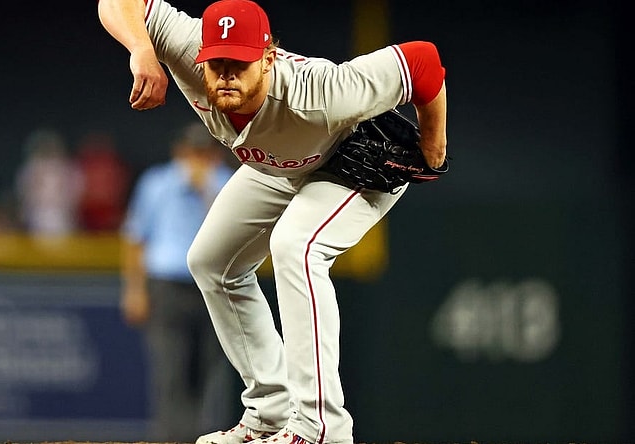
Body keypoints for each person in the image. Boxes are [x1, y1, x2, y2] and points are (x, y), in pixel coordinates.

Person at [98, 1, 448, 444]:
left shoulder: (321, 90)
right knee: (211, 261)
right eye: (216, 62)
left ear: (267, 59)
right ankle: (268, 412)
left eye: (239, 64)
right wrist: (141, 50)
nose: (225, 74)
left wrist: (434, 142)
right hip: (282, 164)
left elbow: (423, 60)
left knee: (296, 247)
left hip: (353, 163)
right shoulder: (185, 48)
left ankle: (320, 429)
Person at [120, 122, 236, 441]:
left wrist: (207, 190)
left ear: (214, 155)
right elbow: (136, 238)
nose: (196, 160)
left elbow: (234, 234)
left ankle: (199, 435)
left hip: (211, 289)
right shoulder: (157, 183)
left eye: (204, 153)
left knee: (204, 371)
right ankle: (170, 438)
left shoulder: (225, 184)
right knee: (170, 371)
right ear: (179, 152)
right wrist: (134, 290)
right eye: (191, 152)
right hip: (167, 286)